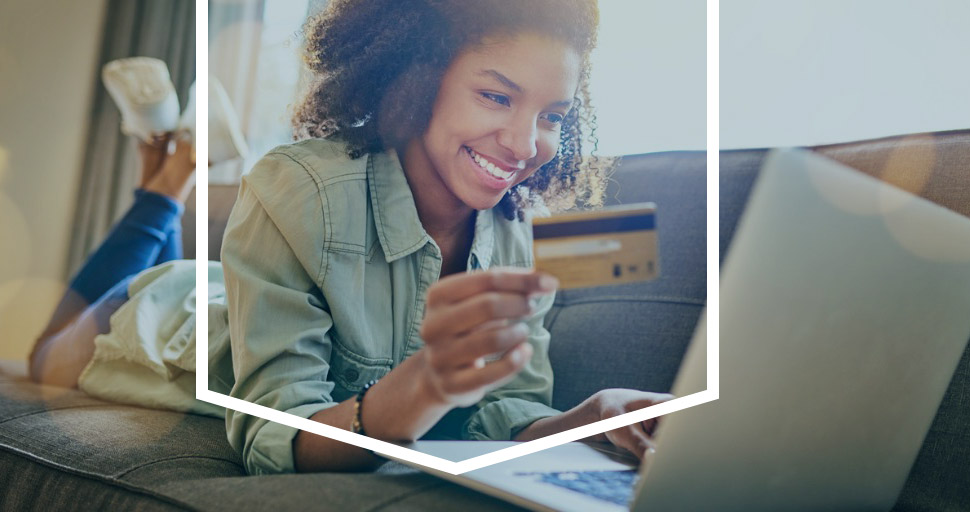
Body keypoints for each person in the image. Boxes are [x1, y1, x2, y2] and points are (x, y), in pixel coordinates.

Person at [31, 0, 673, 476]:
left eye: (552, 117)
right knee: (42, 358)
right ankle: (167, 178)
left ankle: (170, 160)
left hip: (241, 291)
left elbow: (501, 411)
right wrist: (425, 384)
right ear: (416, 77)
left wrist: (586, 420)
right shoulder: (299, 185)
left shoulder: (512, 230)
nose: (526, 144)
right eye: (495, 96)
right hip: (158, 323)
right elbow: (273, 438)